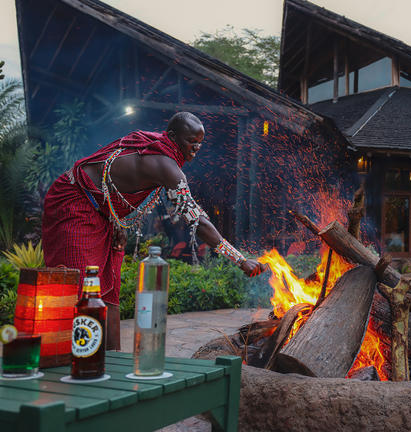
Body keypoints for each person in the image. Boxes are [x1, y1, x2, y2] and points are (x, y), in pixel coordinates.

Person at [42, 112, 266, 350]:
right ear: (172, 137)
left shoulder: (160, 150)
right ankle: (69, 358)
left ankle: (112, 358)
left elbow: (112, 182)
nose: (196, 148)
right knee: (80, 287)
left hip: (103, 214)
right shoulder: (165, 165)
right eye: (191, 141)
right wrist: (240, 260)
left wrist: (115, 218)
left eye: (200, 142)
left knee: (109, 287)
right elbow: (197, 221)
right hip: (74, 201)